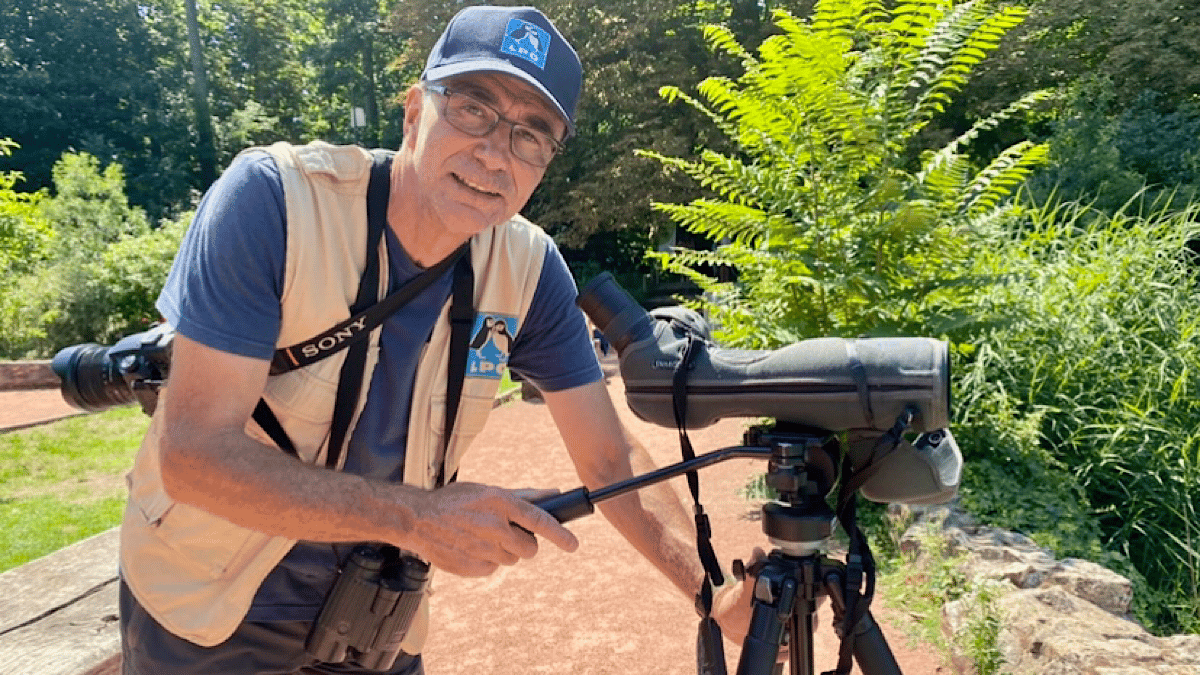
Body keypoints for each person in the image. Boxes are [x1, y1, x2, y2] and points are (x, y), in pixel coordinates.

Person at [117, 6, 759, 674]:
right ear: (415, 110)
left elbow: (612, 460)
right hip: (201, 610)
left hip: (375, 619)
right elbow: (192, 452)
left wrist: (711, 590)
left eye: (530, 135)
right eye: (474, 109)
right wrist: (418, 518)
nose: (494, 154)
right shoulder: (274, 202)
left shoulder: (530, 271)